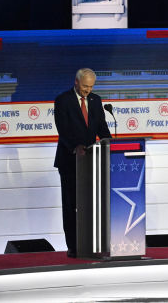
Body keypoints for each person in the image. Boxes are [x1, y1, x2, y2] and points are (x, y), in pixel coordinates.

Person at [53, 68, 112, 258]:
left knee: (93, 203)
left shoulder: (96, 100)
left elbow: (102, 126)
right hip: (70, 160)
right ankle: (73, 246)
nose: (88, 90)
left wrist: (110, 142)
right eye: (85, 86)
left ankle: (93, 244)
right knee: (71, 205)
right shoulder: (63, 100)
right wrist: (75, 147)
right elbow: (63, 130)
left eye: (91, 87)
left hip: (92, 159)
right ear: (76, 82)